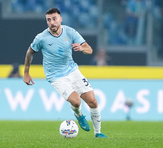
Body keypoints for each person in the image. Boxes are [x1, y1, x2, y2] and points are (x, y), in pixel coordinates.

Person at [23, 8, 107, 138]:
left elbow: (89, 49)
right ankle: (79, 115)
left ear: (60, 19)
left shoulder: (70, 32)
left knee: (93, 101)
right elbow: (30, 52)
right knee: (76, 101)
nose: (52, 22)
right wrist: (26, 73)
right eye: (48, 20)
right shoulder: (41, 38)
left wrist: (82, 48)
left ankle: (98, 133)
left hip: (73, 70)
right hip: (56, 76)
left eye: (54, 19)